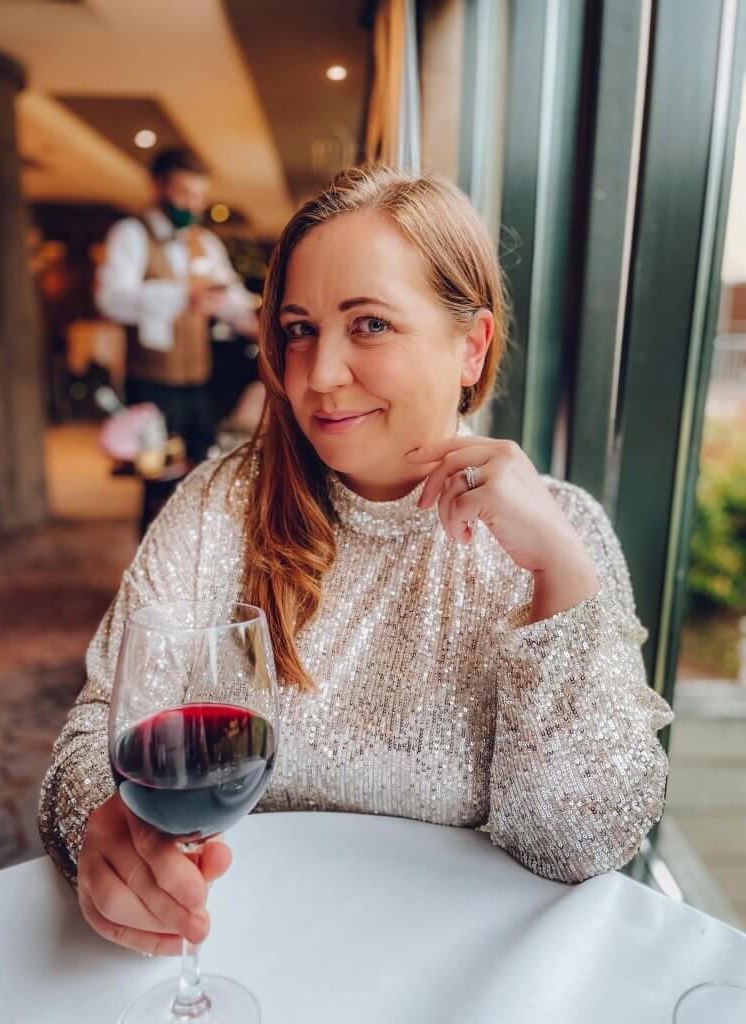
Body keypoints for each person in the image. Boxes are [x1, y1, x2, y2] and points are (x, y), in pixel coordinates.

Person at [39, 165, 674, 957]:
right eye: (299, 328)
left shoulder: (563, 530)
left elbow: (579, 844)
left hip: (457, 978)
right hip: (246, 953)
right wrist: (100, 830)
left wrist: (561, 579)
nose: (318, 375)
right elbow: (99, 728)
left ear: (471, 346)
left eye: (369, 324)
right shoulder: (220, 504)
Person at [96, 147, 259, 464]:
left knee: (203, 465)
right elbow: (111, 301)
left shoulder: (205, 242)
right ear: (157, 187)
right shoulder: (131, 235)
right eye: (184, 193)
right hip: (151, 380)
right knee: (158, 472)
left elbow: (231, 297)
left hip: (200, 378)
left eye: (199, 195)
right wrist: (180, 296)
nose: (193, 204)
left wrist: (251, 322)